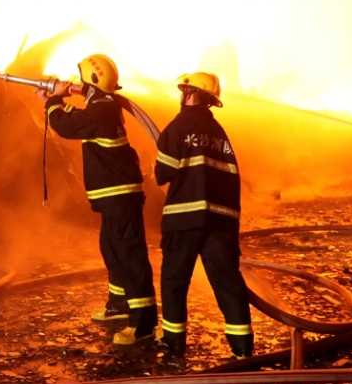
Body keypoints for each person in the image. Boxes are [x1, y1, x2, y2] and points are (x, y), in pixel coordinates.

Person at [36, 54, 158, 345]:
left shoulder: (102, 110)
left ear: (92, 81)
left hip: (120, 197)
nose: (77, 82)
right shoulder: (103, 105)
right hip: (114, 197)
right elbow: (78, 119)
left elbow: (66, 126)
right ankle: (119, 306)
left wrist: (52, 101)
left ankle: (143, 324)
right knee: (112, 250)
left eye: (81, 78)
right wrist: (57, 98)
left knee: (130, 257)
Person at [153, 72, 253, 358]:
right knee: (227, 281)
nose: (181, 95)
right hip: (222, 220)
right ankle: (243, 348)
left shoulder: (179, 125)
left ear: (189, 94)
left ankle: (173, 342)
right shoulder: (221, 134)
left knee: (174, 281)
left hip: (185, 217)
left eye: (184, 90)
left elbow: (163, 174)